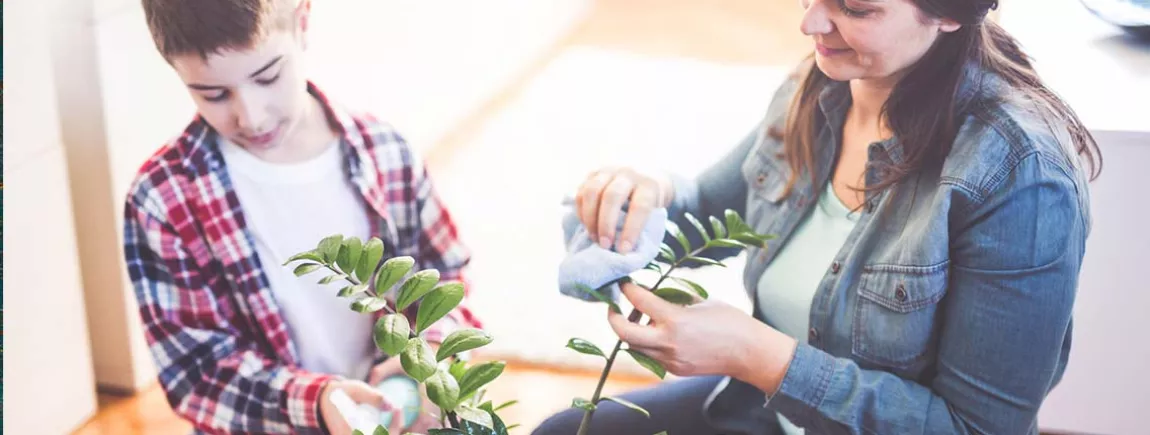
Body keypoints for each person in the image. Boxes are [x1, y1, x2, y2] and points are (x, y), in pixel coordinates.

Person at [537, 0, 1101, 433]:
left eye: (854, 7)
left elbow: (975, 427)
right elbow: (710, 210)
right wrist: (640, 195)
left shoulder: (1021, 175)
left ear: (948, 15)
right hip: (762, 412)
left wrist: (759, 357)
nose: (810, 25)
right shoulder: (822, 84)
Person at [121, 0, 481, 433]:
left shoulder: (386, 153)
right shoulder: (163, 199)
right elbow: (198, 374)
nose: (250, 116)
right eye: (213, 94)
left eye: (268, 76)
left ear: (302, 19)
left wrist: (431, 354)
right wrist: (316, 401)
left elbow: (444, 278)